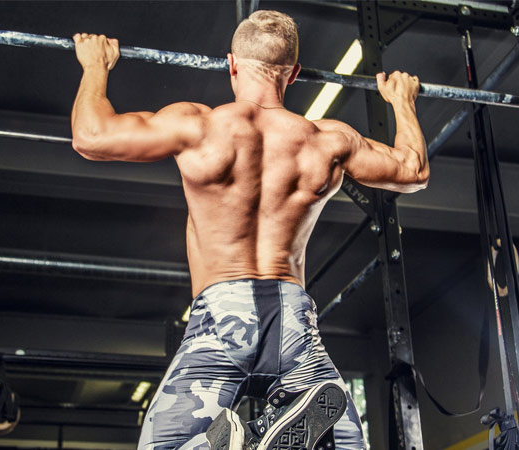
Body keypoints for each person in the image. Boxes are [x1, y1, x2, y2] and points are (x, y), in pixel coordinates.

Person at [71, 10, 428, 450]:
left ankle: (227, 444)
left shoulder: (199, 126)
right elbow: (412, 170)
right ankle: (263, 438)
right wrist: (403, 102)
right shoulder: (328, 140)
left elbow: (91, 136)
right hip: (294, 322)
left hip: (222, 319)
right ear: (294, 74)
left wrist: (94, 68)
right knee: (348, 444)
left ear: (232, 63)